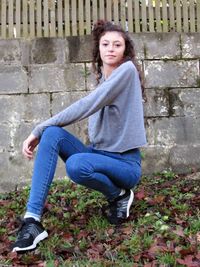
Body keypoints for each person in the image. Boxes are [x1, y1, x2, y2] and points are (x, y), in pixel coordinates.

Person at [11, 20, 147, 252]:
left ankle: (119, 194)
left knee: (75, 164)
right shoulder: (103, 81)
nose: (111, 48)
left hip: (125, 164)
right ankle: (32, 220)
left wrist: (37, 128)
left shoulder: (127, 71)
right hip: (99, 155)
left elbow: (86, 105)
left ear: (126, 50)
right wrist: (44, 132)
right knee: (53, 134)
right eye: (105, 44)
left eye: (117, 44)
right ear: (99, 49)